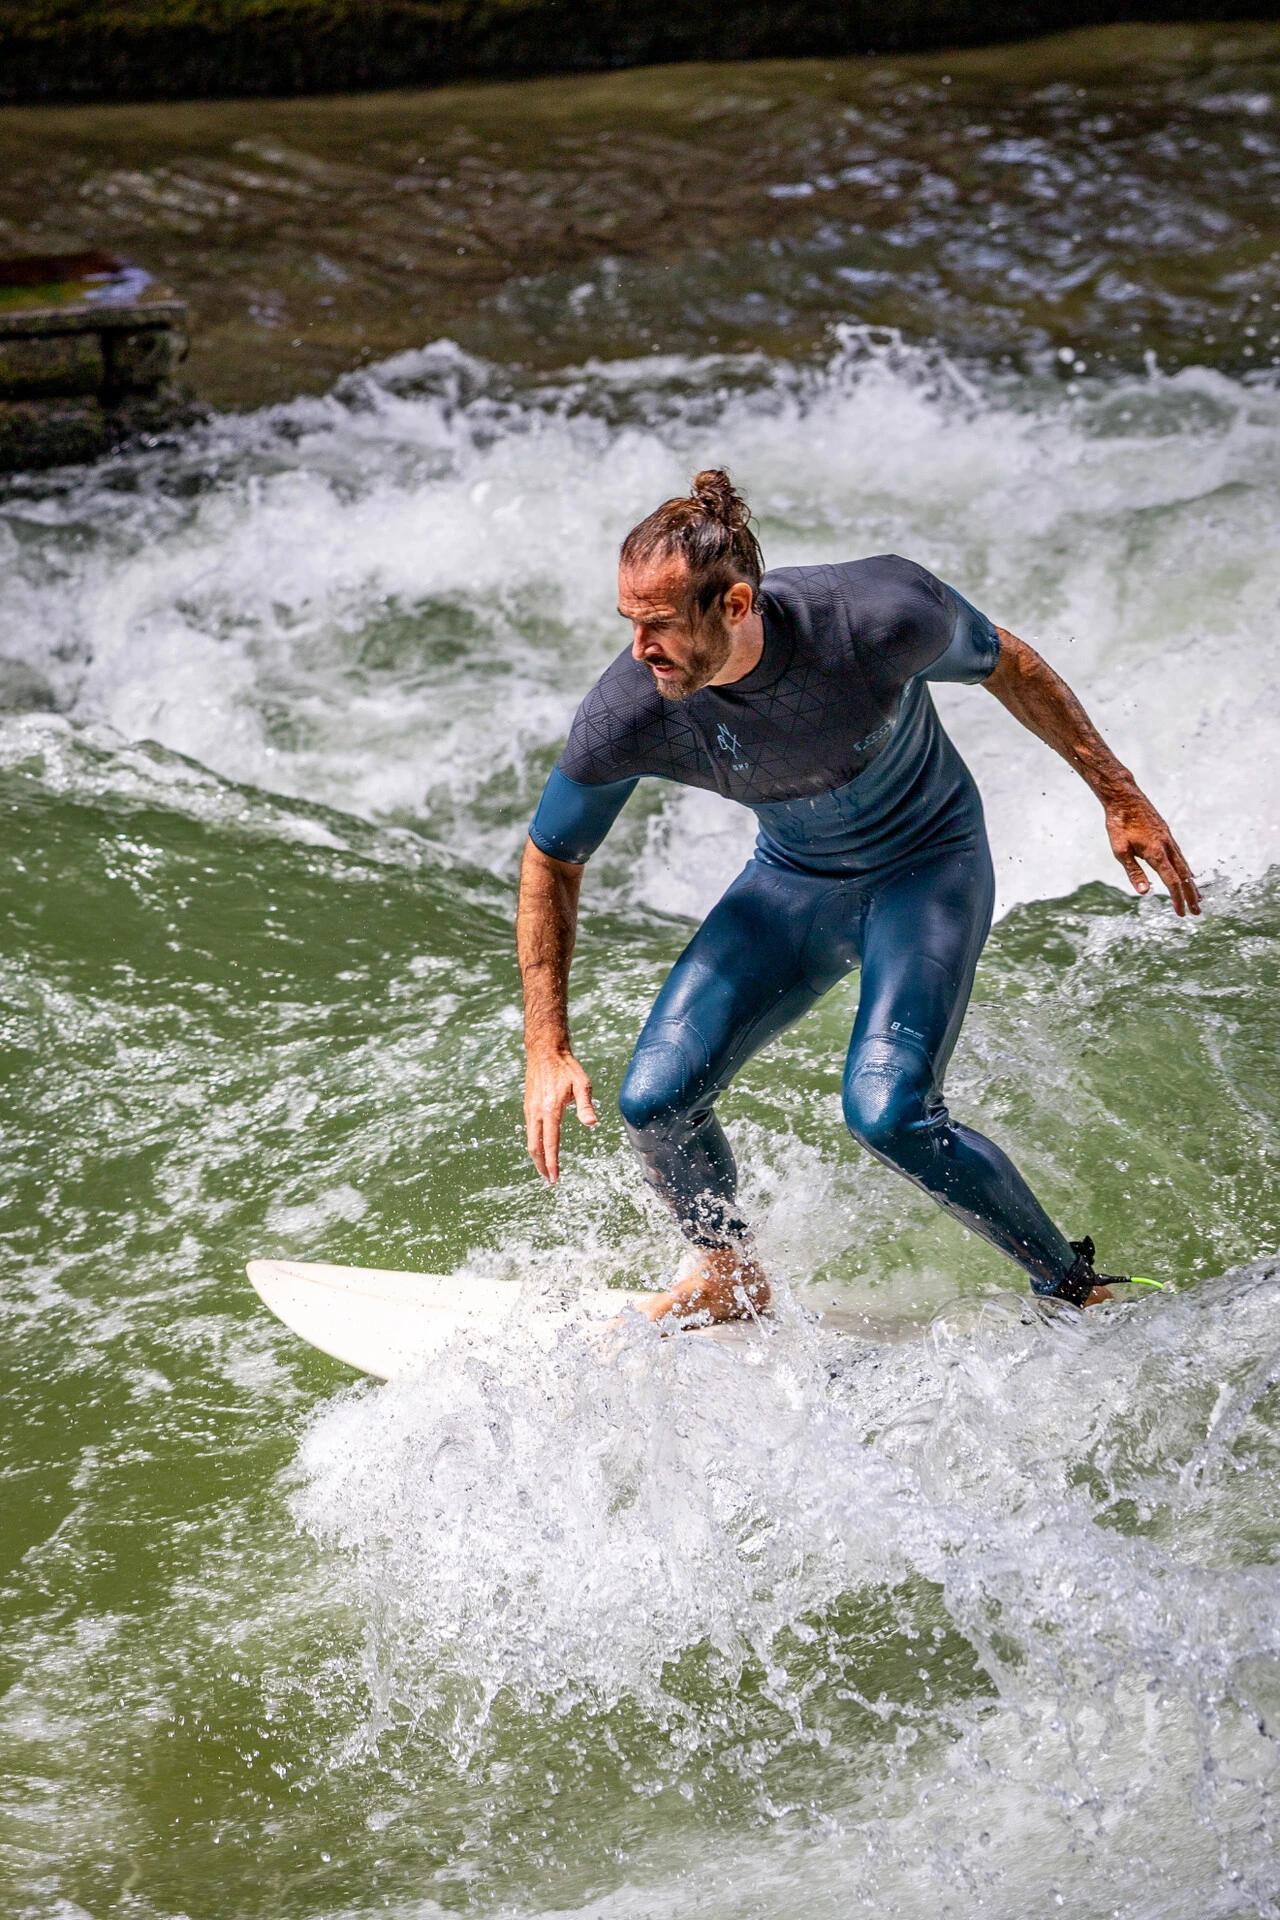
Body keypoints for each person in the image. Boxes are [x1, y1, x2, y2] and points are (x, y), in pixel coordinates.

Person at [517, 471, 1199, 1326]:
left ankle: (1075, 1287)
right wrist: (548, 1044)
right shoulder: (631, 712)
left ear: (735, 605)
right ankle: (730, 1273)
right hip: (790, 886)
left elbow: (1008, 662)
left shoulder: (877, 616)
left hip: (928, 865)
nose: (639, 649)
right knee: (653, 1104)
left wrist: (1119, 794)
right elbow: (551, 856)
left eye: (659, 623)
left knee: (890, 1114)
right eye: (629, 623)